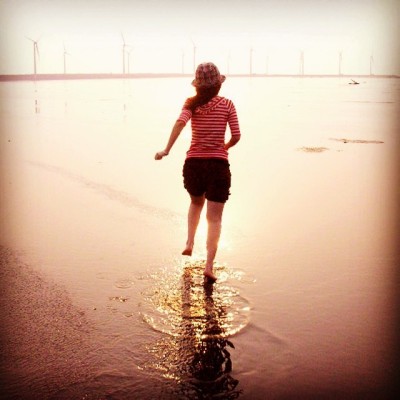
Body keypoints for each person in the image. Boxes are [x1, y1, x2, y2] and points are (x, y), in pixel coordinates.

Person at [155, 62, 241, 282]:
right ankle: (209, 266)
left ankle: (189, 243)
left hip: (193, 164)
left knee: (195, 203)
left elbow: (180, 123)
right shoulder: (228, 104)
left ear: (198, 86)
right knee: (214, 219)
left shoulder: (191, 104)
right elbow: (237, 135)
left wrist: (166, 149)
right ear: (218, 85)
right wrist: (225, 147)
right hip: (218, 166)